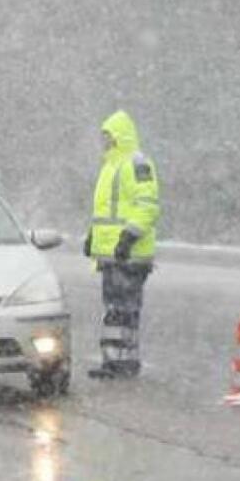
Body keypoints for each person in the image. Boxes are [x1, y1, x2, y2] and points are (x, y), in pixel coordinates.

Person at [83, 110, 161, 378]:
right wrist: (93, 237)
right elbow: (105, 210)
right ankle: (114, 362)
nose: (104, 142)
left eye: (107, 137)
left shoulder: (136, 164)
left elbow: (147, 206)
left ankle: (123, 362)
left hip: (130, 254)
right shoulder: (110, 166)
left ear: (119, 136)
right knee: (115, 310)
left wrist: (129, 236)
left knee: (124, 310)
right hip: (112, 256)